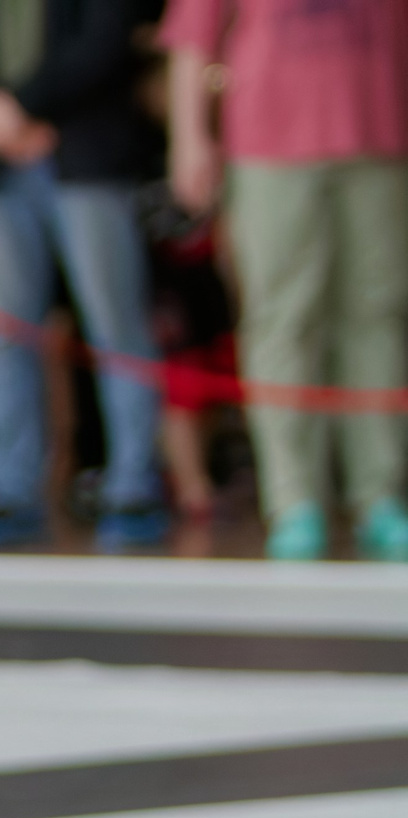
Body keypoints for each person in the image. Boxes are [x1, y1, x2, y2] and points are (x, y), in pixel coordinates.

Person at [161, 0, 408, 563]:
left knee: (378, 317)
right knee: (281, 320)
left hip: (381, 136)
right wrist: (190, 137)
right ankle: (293, 500)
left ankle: (380, 495)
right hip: (270, 144)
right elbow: (193, 35)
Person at [0, 0, 169, 551]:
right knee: (5, 330)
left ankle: (133, 483)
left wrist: (25, 104)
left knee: (116, 322)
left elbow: (106, 35)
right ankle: (9, 487)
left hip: (83, 146)